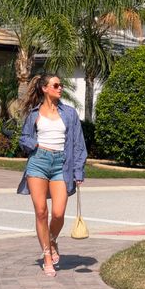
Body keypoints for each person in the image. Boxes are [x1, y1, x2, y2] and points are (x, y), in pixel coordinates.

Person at [17, 73, 87, 277]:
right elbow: (24, 138)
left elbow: (77, 144)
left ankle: (52, 239)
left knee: (58, 213)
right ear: (44, 89)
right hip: (38, 162)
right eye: (55, 85)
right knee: (41, 212)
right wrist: (34, 144)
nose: (60, 88)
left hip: (61, 165)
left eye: (61, 85)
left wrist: (78, 170)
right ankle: (47, 255)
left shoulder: (70, 113)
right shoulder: (34, 114)